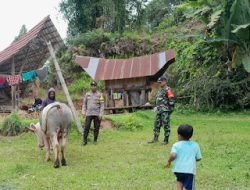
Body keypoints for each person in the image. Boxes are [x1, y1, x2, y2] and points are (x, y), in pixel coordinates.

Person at [166, 124, 202, 190]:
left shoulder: (176, 145)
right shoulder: (195, 145)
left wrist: (169, 161)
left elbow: (173, 155)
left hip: (178, 170)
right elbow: (198, 158)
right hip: (189, 171)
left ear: (179, 135)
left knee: (179, 183)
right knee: (190, 188)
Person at [148, 76, 175, 145]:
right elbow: (158, 100)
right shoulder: (160, 90)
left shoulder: (168, 89)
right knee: (156, 125)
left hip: (165, 111)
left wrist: (169, 110)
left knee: (166, 125)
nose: (159, 83)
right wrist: (156, 107)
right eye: (159, 82)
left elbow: (171, 100)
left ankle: (166, 140)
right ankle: (155, 139)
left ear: (165, 81)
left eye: (161, 82)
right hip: (159, 110)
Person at [82, 81, 104, 145]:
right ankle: (84, 141)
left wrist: (101, 114)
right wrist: (83, 112)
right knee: (86, 127)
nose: (93, 87)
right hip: (88, 113)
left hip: (97, 114)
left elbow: (102, 105)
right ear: (90, 86)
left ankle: (95, 140)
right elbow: (84, 104)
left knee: (96, 128)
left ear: (96, 87)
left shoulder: (100, 95)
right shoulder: (87, 94)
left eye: (94, 86)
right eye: (92, 86)